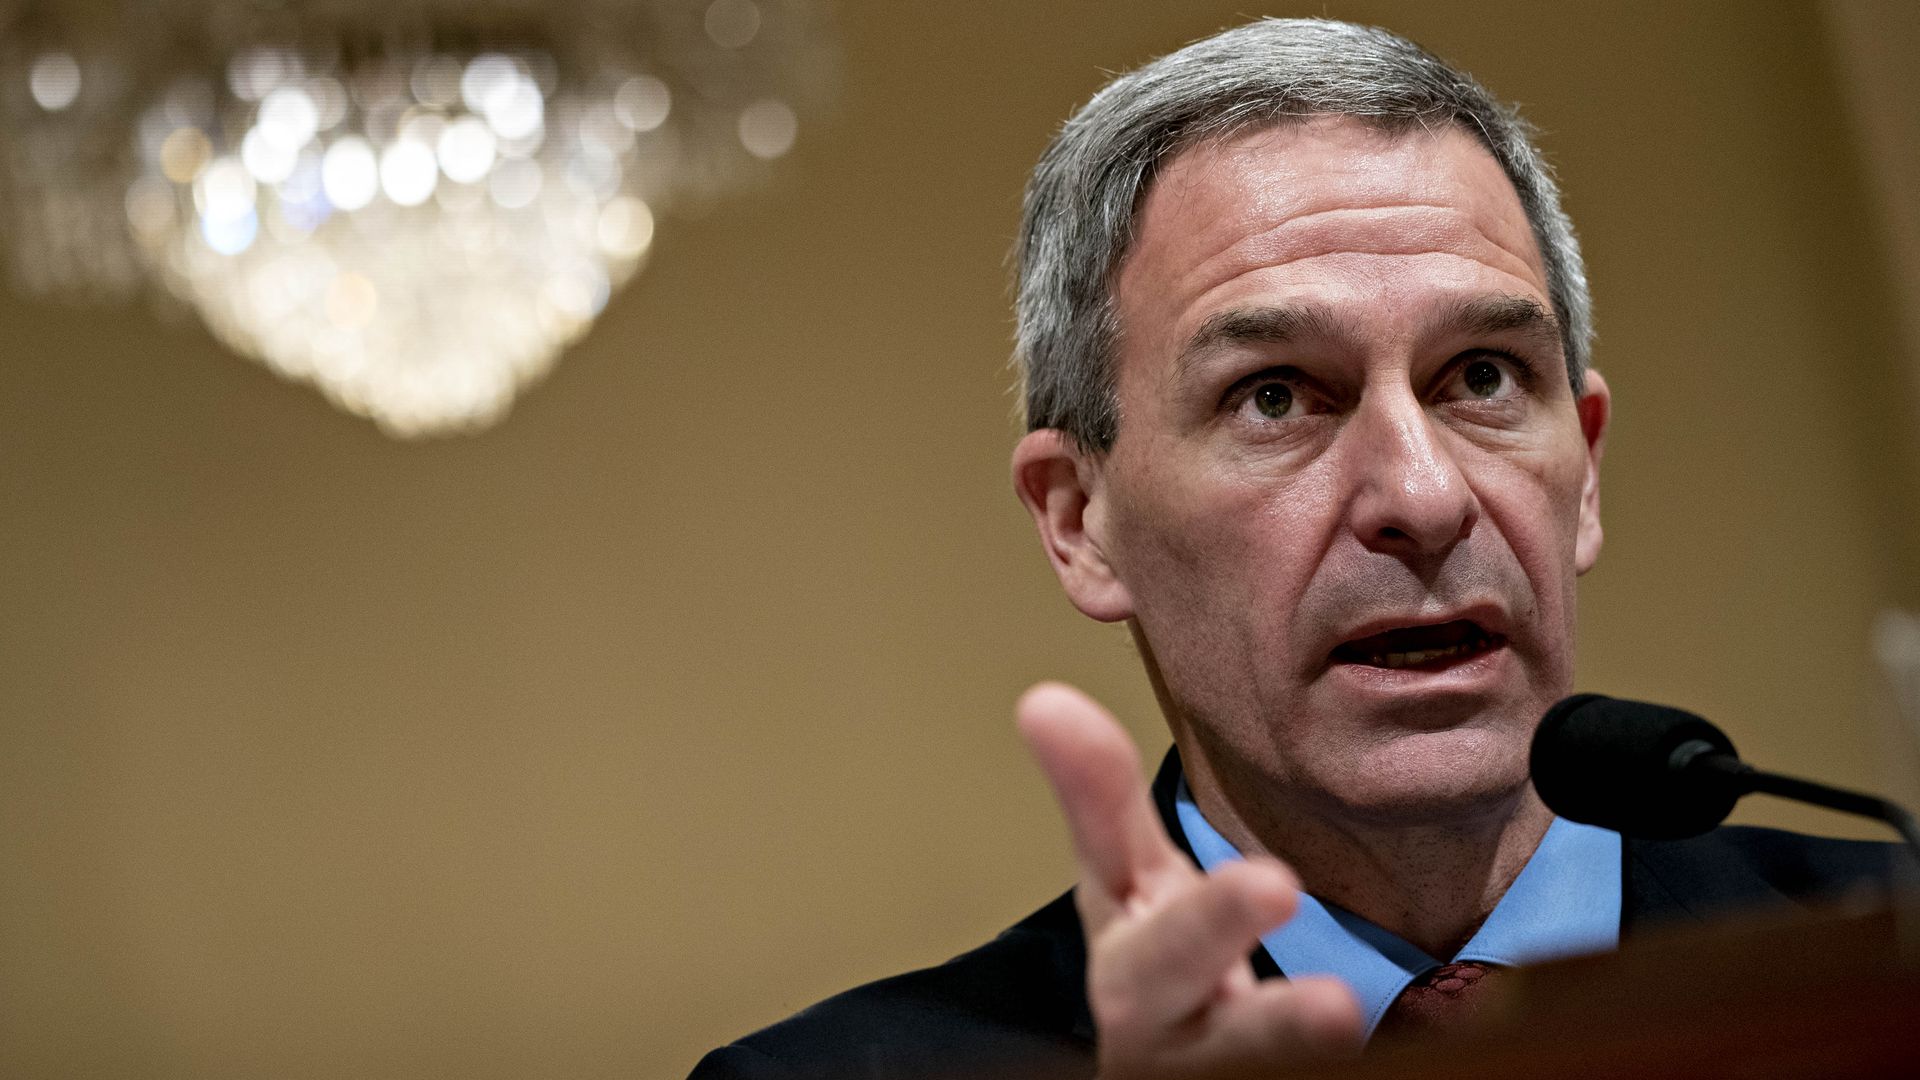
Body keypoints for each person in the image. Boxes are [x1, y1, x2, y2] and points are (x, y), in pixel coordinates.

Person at [690, 17, 1893, 1080]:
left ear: (1583, 471)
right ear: (1079, 519)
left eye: (1482, 377)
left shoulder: (1892, 959)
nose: (1424, 499)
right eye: (1276, 396)